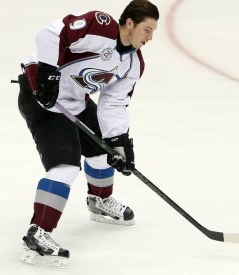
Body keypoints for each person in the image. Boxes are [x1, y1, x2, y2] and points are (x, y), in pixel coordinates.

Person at [16, 0, 159, 267]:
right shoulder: (99, 27)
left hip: (75, 101)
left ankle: (99, 200)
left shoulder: (132, 64)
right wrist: (46, 71)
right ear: (129, 23)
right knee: (65, 166)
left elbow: (114, 103)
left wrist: (119, 142)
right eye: (147, 30)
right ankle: (39, 231)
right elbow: (49, 34)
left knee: (104, 151)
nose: (150, 37)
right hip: (42, 96)